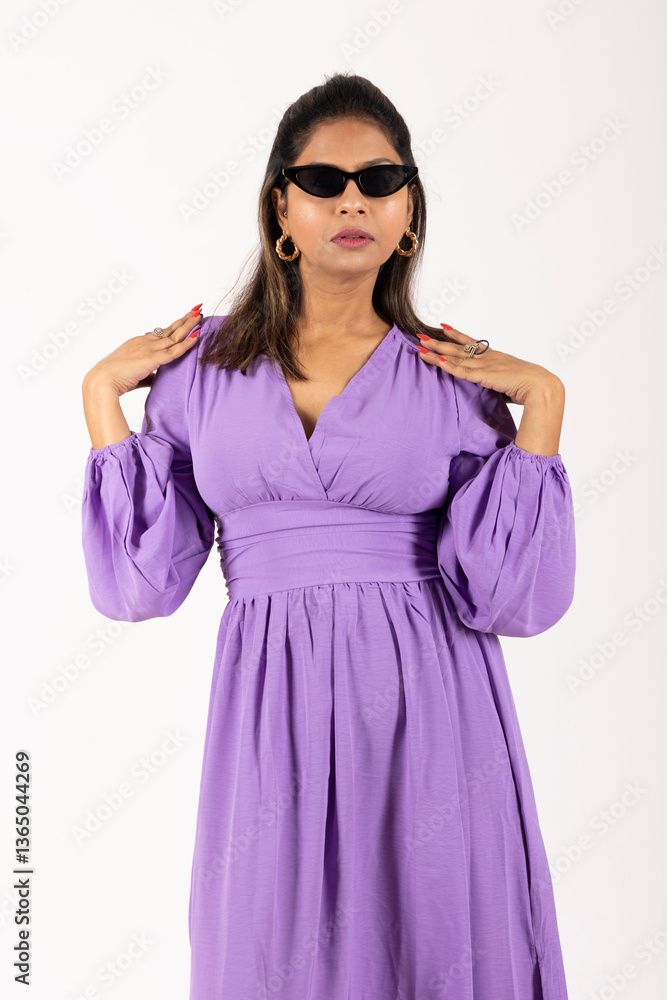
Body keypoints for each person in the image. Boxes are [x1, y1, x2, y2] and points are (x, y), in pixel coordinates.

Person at [80, 71, 575, 1000]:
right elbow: (141, 586)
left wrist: (542, 404)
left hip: (432, 711)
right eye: (322, 180)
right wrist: (101, 396)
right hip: (269, 714)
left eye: (380, 181)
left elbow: (511, 600)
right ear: (281, 206)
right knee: (264, 949)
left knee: (434, 937)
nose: (353, 201)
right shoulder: (197, 373)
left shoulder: (456, 382)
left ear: (408, 212)